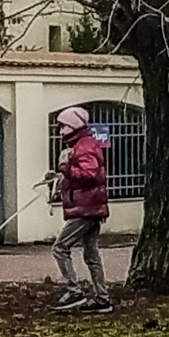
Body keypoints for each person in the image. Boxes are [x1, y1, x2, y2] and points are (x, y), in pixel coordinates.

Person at [50, 106, 112, 313]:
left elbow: (90, 175)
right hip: (91, 207)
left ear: (75, 126)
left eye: (64, 127)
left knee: (60, 247)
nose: (61, 132)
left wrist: (66, 168)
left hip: (86, 209)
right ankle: (102, 298)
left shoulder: (84, 147)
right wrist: (59, 177)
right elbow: (84, 176)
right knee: (91, 254)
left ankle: (73, 290)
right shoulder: (83, 145)